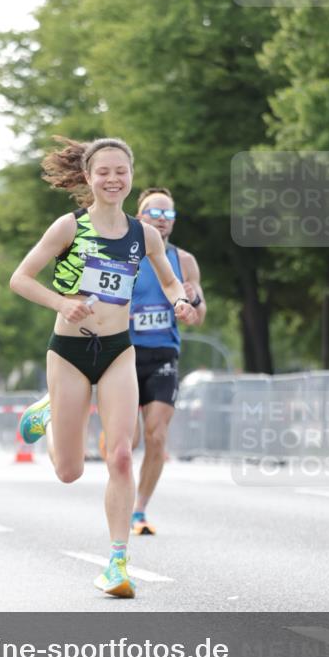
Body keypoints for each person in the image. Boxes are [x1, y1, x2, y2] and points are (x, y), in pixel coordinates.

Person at [10, 137, 196, 598]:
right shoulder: (69, 227)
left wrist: (180, 303)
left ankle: (117, 563)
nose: (113, 179)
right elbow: (20, 278)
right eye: (104, 172)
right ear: (89, 178)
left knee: (118, 454)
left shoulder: (144, 235)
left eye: (121, 171)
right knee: (69, 472)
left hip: (118, 350)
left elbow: (172, 280)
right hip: (70, 352)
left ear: (130, 176)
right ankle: (49, 414)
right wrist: (61, 303)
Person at [129, 187, 206, 536]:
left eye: (168, 215)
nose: (161, 220)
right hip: (124, 355)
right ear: (139, 216)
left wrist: (192, 303)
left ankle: (139, 510)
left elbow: (198, 316)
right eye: (154, 213)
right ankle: (120, 493)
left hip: (163, 354)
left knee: (156, 435)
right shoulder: (125, 255)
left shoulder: (184, 261)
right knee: (127, 441)